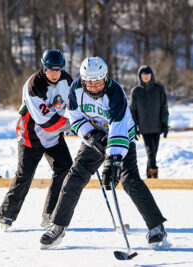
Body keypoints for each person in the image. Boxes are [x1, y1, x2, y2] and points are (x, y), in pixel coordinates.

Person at [40, 57, 167, 249]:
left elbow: (118, 126)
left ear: (105, 78)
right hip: (94, 136)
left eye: (98, 82)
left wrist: (113, 160)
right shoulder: (75, 89)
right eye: (90, 83)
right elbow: (74, 117)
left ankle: (157, 228)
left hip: (122, 137)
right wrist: (90, 135)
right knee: (74, 178)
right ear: (83, 80)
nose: (94, 87)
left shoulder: (115, 92)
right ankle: (58, 226)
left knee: (129, 180)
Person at [0, 49, 73, 231]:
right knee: (25, 175)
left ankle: (50, 214)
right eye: (51, 69)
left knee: (64, 167)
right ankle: (7, 215)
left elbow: (75, 103)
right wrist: (71, 125)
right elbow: (45, 120)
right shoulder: (34, 85)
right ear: (43, 67)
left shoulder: (67, 80)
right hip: (31, 135)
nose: (55, 73)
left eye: (59, 69)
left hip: (54, 136)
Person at [129, 65, 169, 179]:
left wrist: (165, 124)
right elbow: (133, 110)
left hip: (157, 126)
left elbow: (164, 107)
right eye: (143, 75)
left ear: (151, 75)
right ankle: (154, 174)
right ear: (140, 76)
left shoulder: (159, 89)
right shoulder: (135, 91)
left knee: (153, 152)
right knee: (150, 152)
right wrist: (134, 126)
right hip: (144, 127)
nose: (146, 77)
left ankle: (149, 177)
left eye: (147, 74)